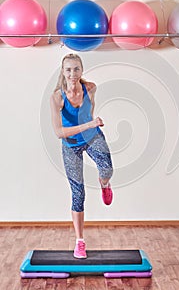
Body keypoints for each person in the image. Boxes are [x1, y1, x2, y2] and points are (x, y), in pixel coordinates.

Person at [50, 53, 113, 259]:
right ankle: (80, 241)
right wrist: (88, 124)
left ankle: (104, 185)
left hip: (92, 137)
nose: (72, 73)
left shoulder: (91, 88)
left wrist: (91, 125)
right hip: (70, 146)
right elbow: (59, 132)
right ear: (63, 71)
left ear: (81, 70)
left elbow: (89, 110)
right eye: (68, 69)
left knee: (107, 169)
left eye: (76, 69)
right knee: (78, 194)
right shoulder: (57, 98)